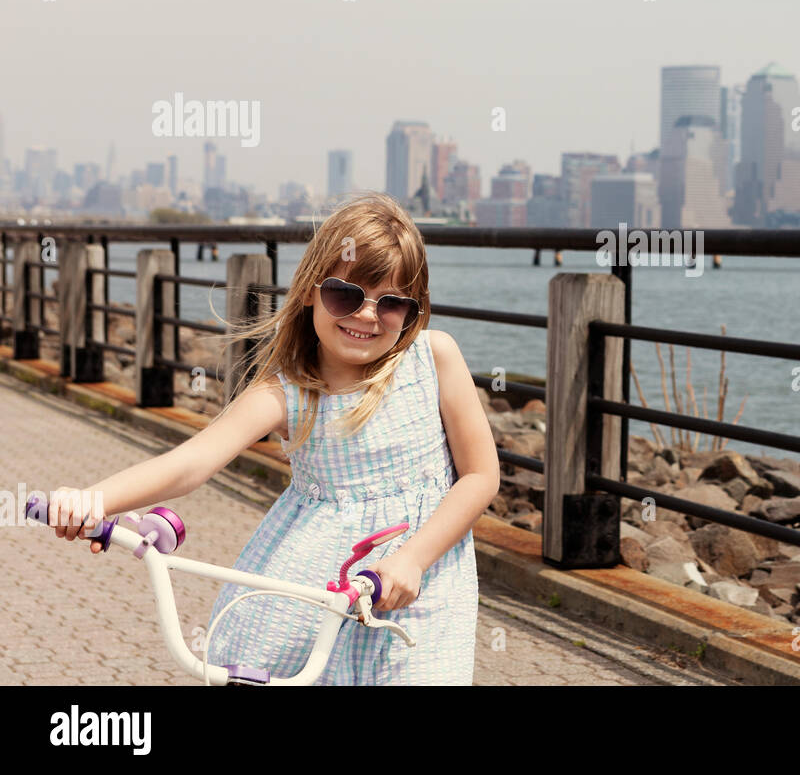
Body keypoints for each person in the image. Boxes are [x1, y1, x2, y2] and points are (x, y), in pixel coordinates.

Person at [45, 192, 499, 684]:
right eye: (345, 295)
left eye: (390, 304)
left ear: (413, 311)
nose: (367, 316)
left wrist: (414, 557)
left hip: (422, 587)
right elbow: (191, 463)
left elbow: (480, 475)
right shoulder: (288, 392)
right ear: (309, 291)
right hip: (314, 589)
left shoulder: (434, 359)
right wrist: (92, 499)